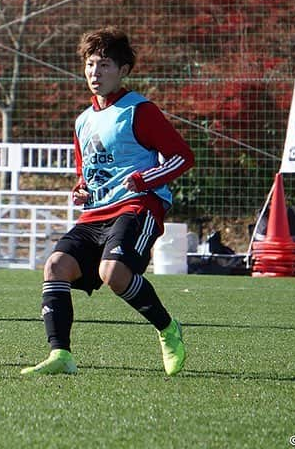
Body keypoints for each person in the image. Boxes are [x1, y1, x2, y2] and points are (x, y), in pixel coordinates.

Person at [21, 27, 194, 377]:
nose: (94, 73)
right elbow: (87, 171)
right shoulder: (83, 120)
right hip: (95, 213)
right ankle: (61, 356)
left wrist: (146, 179)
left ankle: (167, 329)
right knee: (55, 266)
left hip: (137, 207)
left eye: (104, 65)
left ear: (123, 71)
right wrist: (80, 188)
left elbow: (182, 157)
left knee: (113, 273)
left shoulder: (139, 110)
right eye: (89, 64)